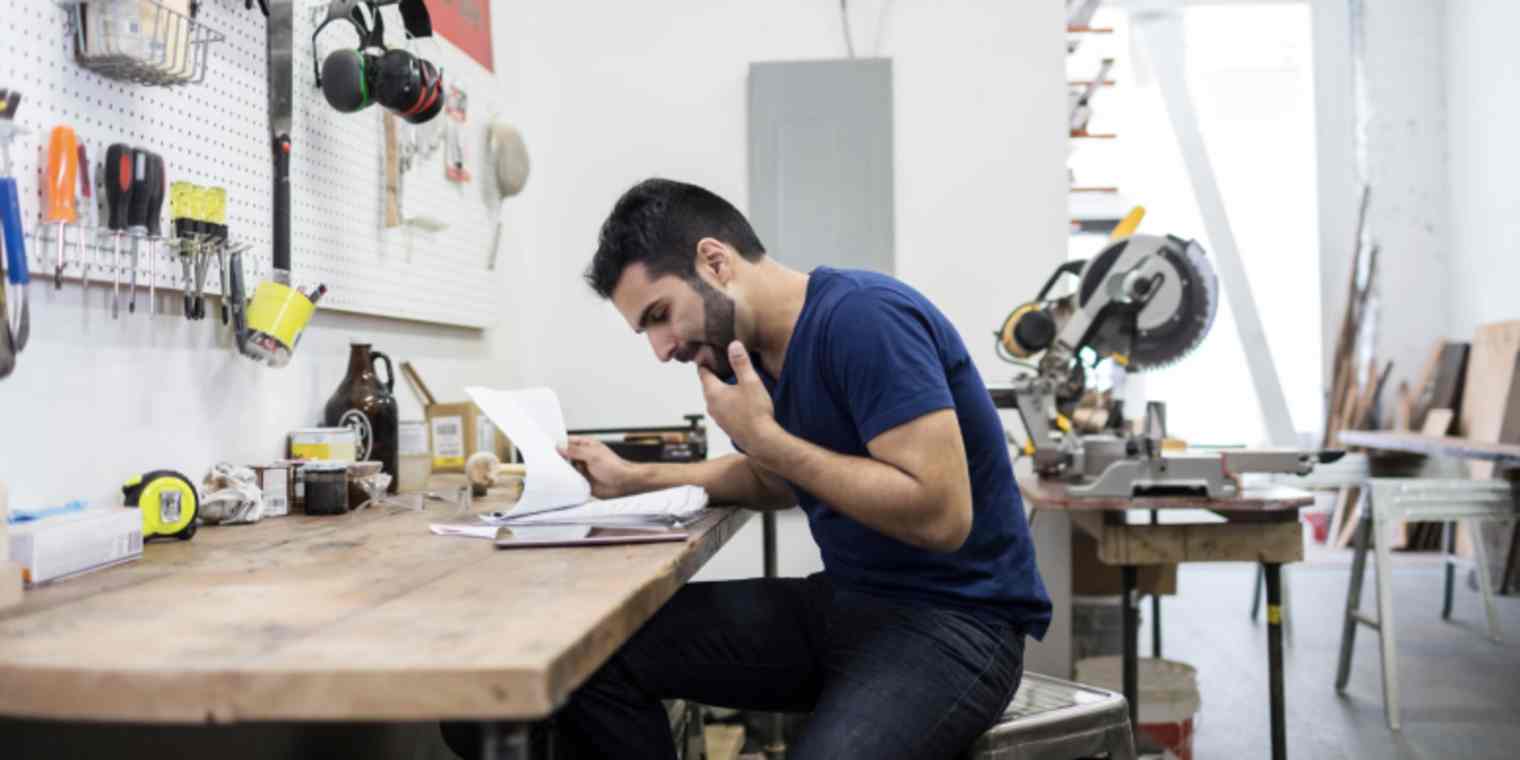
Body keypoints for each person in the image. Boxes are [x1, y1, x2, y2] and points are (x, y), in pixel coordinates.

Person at [450, 178, 1051, 760]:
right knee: (587, 660)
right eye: (645, 331)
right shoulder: (753, 356)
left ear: (714, 262)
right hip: (848, 603)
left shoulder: (865, 319)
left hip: (958, 622)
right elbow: (776, 479)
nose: (661, 349)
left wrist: (766, 437)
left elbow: (942, 516)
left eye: (660, 315)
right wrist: (633, 477)